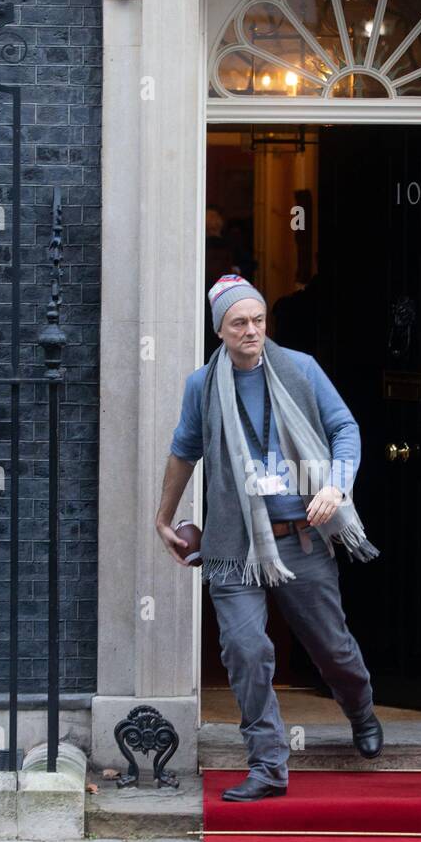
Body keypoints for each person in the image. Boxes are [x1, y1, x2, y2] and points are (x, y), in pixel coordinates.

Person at [155, 274, 384, 801]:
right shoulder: (202, 386)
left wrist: (336, 486)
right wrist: (164, 519)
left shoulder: (300, 369)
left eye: (258, 320)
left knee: (333, 649)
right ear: (221, 330)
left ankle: (360, 708)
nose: (252, 330)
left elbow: (345, 428)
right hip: (233, 545)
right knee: (245, 650)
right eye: (240, 323)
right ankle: (267, 764)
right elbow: (183, 450)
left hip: (300, 538)